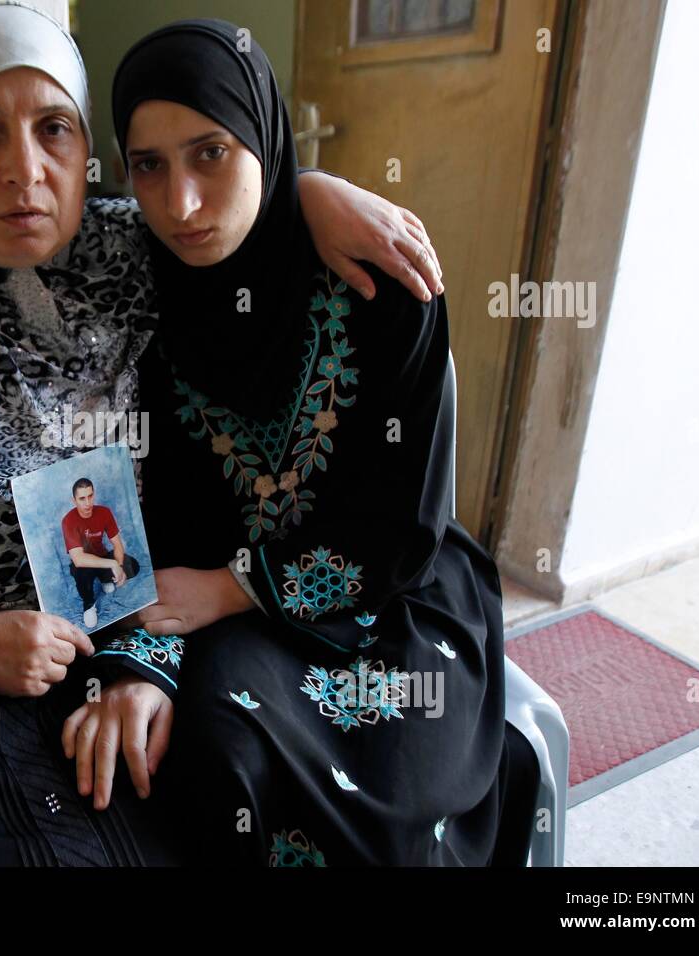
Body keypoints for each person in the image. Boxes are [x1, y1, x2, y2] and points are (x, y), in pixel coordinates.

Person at [0, 1, 444, 866]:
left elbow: (242, 215)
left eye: (53, 128)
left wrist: (312, 191)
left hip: (76, 669)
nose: (24, 171)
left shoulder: (128, 254)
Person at [61, 18, 538, 866]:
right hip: (210, 607)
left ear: (263, 137)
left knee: (375, 790)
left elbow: (404, 528)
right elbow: (110, 503)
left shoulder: (383, 282)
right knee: (202, 751)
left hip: (394, 600)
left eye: (212, 152)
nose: (182, 205)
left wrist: (229, 589)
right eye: (149, 166)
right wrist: (141, 658)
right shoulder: (128, 297)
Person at [63, 477, 140, 629]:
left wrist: (118, 566)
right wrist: (112, 564)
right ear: (74, 500)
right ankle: (89, 605)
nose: (87, 503)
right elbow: (78, 559)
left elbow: (117, 544)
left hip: (102, 557)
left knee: (133, 566)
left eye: (90, 496)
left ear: (94, 494)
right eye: (82, 498)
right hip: (84, 564)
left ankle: (106, 578)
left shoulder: (104, 512)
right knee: (81, 573)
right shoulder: (68, 520)